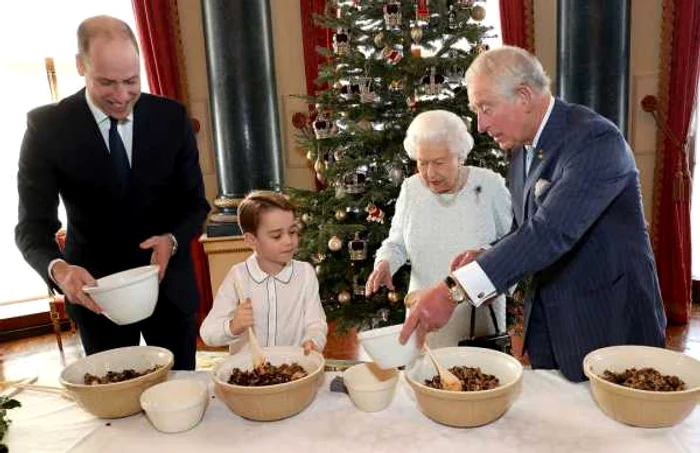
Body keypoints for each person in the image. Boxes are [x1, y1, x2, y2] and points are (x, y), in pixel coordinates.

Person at [400, 46, 667, 382]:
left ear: (524, 96)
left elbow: (548, 233)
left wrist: (455, 290)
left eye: (486, 108)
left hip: (608, 322)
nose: (480, 125)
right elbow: (526, 228)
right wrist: (490, 253)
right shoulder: (521, 149)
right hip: (551, 327)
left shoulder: (595, 141)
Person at [15, 16, 210, 370]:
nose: (122, 97)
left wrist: (173, 240)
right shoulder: (46, 129)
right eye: (106, 82)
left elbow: (195, 204)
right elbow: (31, 228)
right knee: (116, 415)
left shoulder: (171, 118)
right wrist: (60, 271)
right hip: (96, 300)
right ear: (80, 66)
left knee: (181, 407)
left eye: (131, 81)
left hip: (169, 295)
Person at [365, 110, 512, 348]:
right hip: (423, 316)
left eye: (439, 163)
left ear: (459, 156)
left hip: (477, 321)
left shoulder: (489, 185)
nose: (430, 173)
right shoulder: (411, 189)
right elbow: (397, 243)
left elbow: (513, 245)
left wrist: (486, 270)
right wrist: (385, 264)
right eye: (422, 163)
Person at [200, 191, 328, 355]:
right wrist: (233, 326)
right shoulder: (238, 276)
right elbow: (207, 333)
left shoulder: (305, 273)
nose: (288, 241)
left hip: (293, 369)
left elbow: (316, 324)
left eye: (292, 232)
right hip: (249, 374)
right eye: (276, 236)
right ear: (251, 240)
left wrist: (313, 341)